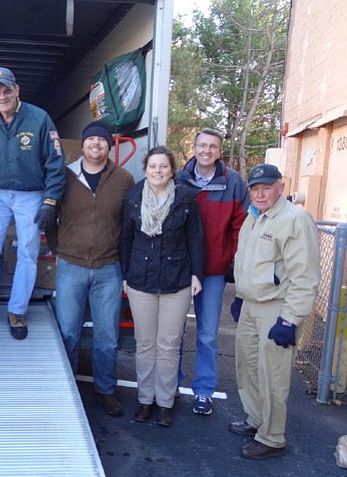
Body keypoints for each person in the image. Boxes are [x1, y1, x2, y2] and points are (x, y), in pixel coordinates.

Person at [0, 66, 66, 339]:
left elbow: (55, 163)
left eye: (7, 90)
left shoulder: (39, 119)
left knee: (28, 252)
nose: (2, 96)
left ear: (17, 90)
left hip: (30, 195)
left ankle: (17, 310)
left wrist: (50, 200)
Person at [229, 163, 319, 460]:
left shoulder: (295, 220)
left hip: (277, 309)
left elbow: (304, 277)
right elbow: (248, 261)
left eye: (267, 187)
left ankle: (272, 436)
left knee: (273, 375)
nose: (260, 194)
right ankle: (256, 419)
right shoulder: (253, 218)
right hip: (252, 305)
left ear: (280, 187)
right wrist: (242, 295)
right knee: (248, 366)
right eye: (255, 189)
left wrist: (289, 320)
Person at [47, 121, 134, 417]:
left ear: (109, 146)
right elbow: (50, 215)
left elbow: (129, 224)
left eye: (101, 140)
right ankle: (66, 387)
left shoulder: (123, 179)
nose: (96, 144)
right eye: (90, 139)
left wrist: (124, 263)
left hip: (109, 268)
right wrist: (58, 249)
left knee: (107, 336)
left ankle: (106, 390)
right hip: (71, 265)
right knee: (68, 333)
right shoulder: (66, 175)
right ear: (82, 145)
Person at [121, 146, 205, 427]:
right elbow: (126, 239)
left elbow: (195, 238)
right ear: (145, 169)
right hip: (140, 280)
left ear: (172, 171)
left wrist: (196, 275)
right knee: (145, 344)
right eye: (153, 166)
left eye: (163, 166)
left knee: (168, 345)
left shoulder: (186, 198)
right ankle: (145, 400)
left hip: (176, 280)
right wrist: (125, 274)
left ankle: (165, 402)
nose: (158, 171)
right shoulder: (133, 198)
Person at [176, 128, 248, 415]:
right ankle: (171, 385)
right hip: (180, 270)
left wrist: (230, 260)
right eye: (202, 145)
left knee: (207, 334)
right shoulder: (179, 179)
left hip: (214, 271)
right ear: (193, 147)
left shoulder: (233, 183)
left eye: (213, 146)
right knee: (175, 333)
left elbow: (241, 227)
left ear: (220, 151)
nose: (206, 150)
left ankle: (204, 391)